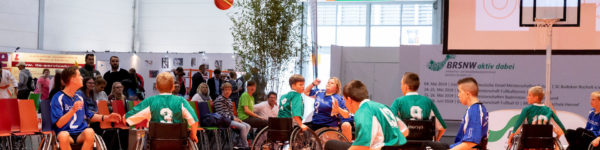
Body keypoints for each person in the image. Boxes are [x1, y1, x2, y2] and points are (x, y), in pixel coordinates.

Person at [324, 80, 408, 150]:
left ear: (349, 100)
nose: (345, 104)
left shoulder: (363, 112)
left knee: (330, 144)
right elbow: (405, 130)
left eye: (344, 100)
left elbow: (363, 146)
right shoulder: (383, 107)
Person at [51, 66, 121, 150]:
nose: (82, 77)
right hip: (65, 133)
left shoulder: (79, 97)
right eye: (79, 75)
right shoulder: (58, 97)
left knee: (90, 131)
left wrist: (107, 118)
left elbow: (90, 115)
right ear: (72, 79)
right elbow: (59, 123)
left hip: (81, 133)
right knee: (63, 136)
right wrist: (73, 110)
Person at [124, 72, 200, 143]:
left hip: (155, 144)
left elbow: (128, 118)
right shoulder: (181, 101)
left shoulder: (150, 101)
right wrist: (193, 134)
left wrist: (124, 118)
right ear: (173, 87)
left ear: (156, 86)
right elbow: (194, 120)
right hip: (177, 144)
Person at [390, 72, 447, 141]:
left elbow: (390, 121)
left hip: (404, 145)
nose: (400, 87)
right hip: (425, 145)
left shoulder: (398, 101)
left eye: (401, 84)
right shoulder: (428, 101)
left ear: (406, 86)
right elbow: (442, 127)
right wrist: (436, 140)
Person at [450, 77, 488, 150]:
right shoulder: (475, 108)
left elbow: (471, 143)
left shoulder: (475, 111)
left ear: (467, 93)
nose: (458, 95)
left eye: (459, 91)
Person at [213, 82, 251, 148]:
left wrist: (236, 118)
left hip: (229, 119)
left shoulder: (229, 100)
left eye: (229, 90)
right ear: (223, 90)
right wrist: (233, 118)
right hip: (223, 120)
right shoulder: (219, 100)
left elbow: (231, 113)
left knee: (248, 126)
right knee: (243, 127)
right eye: (226, 89)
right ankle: (245, 146)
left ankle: (239, 143)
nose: (228, 91)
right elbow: (221, 114)